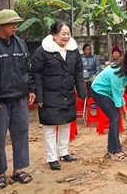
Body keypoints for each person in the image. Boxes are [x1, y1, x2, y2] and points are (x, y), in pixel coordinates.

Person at [0, 9, 36, 189]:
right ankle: (0, 173)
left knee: (21, 134)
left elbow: (27, 69)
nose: (15, 26)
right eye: (12, 23)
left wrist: (31, 89)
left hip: (19, 98)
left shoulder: (21, 44)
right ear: (0, 26)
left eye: (16, 23)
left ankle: (18, 170)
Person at [32, 21, 86, 170]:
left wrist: (81, 92)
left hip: (67, 92)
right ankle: (52, 157)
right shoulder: (42, 51)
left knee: (66, 123)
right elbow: (35, 74)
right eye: (63, 33)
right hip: (49, 94)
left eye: (68, 33)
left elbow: (79, 72)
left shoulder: (73, 51)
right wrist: (39, 96)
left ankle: (63, 151)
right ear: (54, 35)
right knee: (50, 127)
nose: (66, 36)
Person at [91, 48, 127, 161]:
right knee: (114, 118)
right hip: (99, 91)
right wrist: (125, 112)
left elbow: (121, 90)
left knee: (115, 117)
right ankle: (113, 151)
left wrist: (124, 111)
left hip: (109, 91)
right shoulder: (117, 73)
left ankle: (115, 147)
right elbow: (118, 95)